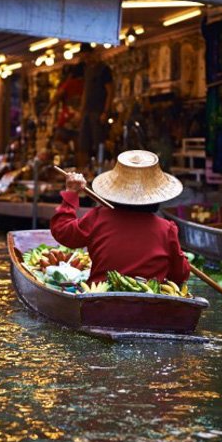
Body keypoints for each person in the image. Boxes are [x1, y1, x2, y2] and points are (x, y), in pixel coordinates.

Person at [50, 149, 190, 285]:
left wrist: (71, 193)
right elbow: (180, 275)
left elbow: (62, 231)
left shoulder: (98, 217)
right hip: (149, 304)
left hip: (99, 302)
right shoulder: (167, 230)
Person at [76, 45, 114, 170]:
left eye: (87, 56)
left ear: (92, 54)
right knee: (83, 143)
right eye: (83, 58)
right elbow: (85, 92)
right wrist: (81, 112)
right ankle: (84, 170)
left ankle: (100, 168)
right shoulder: (87, 70)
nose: (86, 60)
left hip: (98, 111)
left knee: (99, 142)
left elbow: (110, 91)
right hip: (87, 111)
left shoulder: (103, 69)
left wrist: (105, 111)